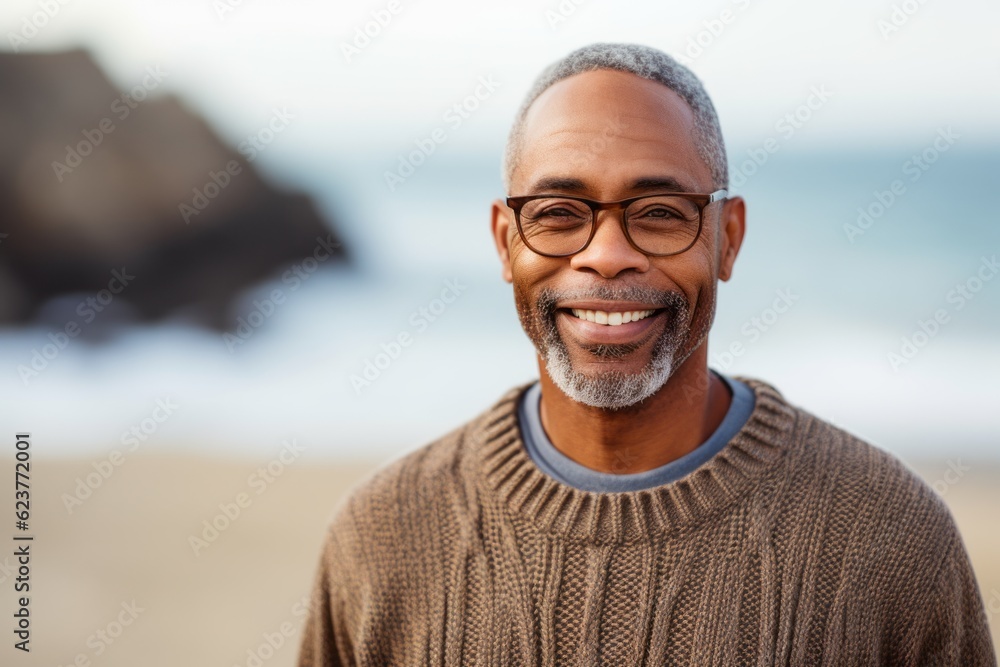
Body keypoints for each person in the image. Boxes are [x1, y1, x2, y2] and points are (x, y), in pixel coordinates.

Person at [297, 42, 996, 666]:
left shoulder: (890, 535)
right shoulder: (380, 535)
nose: (605, 255)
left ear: (728, 236)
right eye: (558, 213)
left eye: (660, 210)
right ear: (504, 242)